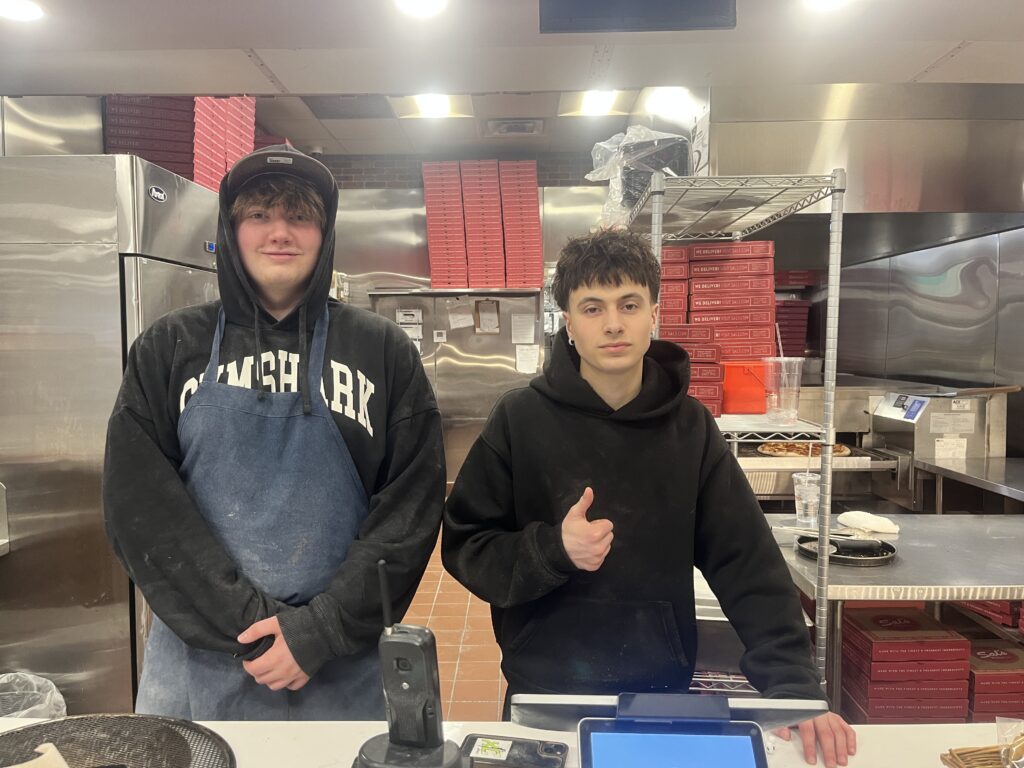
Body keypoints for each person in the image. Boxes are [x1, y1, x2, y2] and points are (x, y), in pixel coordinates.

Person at [442, 229, 856, 767]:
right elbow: (467, 546)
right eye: (592, 307)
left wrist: (795, 687)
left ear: (653, 313)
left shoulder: (691, 429)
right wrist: (552, 552)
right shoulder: (519, 419)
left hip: (660, 687)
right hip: (543, 688)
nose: (613, 323)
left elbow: (747, 562)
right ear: (568, 324)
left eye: (628, 304)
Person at [103, 145, 445, 720]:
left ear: (325, 232)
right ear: (231, 230)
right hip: (200, 664)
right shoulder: (168, 348)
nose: (279, 233)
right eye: (259, 215)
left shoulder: (383, 352)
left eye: (300, 216)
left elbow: (409, 513)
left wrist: (318, 630)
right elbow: (140, 508)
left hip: (337, 663)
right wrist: (252, 631)